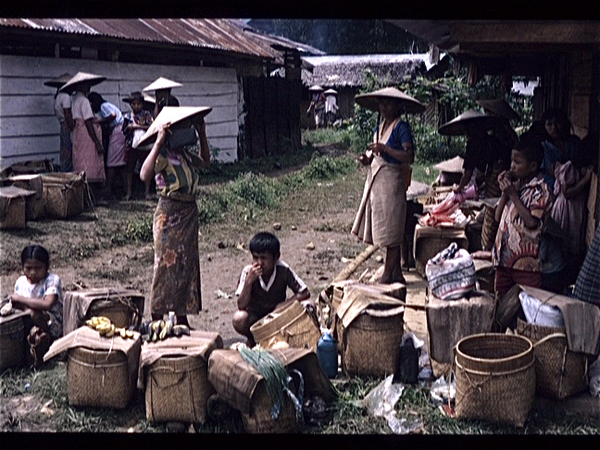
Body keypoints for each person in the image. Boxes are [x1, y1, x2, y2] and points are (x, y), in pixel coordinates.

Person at [139, 106, 211, 328]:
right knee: (165, 265)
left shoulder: (185, 155)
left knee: (185, 265)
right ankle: (157, 317)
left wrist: (202, 133)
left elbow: (205, 162)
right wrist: (158, 142)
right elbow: (144, 175)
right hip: (169, 215)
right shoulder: (162, 155)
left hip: (189, 213)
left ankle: (181, 316)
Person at [352, 87, 425, 284]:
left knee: (393, 230)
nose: (384, 107)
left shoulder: (401, 128)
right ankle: (396, 274)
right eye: (381, 104)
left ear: (397, 106)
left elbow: (409, 156)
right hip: (377, 183)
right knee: (384, 227)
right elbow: (376, 153)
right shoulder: (380, 127)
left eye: (388, 103)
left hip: (393, 182)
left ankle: (387, 274)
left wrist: (385, 149)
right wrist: (367, 159)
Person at [492, 139, 554, 299]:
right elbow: (497, 217)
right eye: (512, 161)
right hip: (503, 261)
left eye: (517, 162)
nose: (512, 166)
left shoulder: (541, 190)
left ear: (533, 166)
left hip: (526, 267)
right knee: (501, 306)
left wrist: (513, 194)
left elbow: (532, 223)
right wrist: (506, 192)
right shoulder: (514, 186)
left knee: (527, 307)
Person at [232, 232, 312, 346]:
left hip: (277, 317)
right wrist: (249, 282)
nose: (259, 263)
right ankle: (254, 338)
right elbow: (241, 305)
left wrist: (283, 305)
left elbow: (304, 292)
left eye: (264, 258)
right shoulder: (248, 272)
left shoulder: (283, 270)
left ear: (276, 257)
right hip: (255, 319)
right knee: (239, 318)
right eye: (255, 257)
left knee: (308, 305)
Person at [7, 245, 63, 367]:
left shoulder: (52, 280)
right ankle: (31, 342)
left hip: (51, 322)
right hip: (28, 318)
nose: (33, 272)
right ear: (22, 267)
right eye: (28, 268)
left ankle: (48, 340)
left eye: (38, 268)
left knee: (32, 313)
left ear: (47, 266)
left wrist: (21, 299)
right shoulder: (21, 282)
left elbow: (48, 304)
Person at [60, 72, 106, 193]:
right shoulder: (84, 101)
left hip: (78, 132)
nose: (88, 87)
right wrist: (96, 141)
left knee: (80, 159)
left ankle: (82, 191)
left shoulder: (74, 99)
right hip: (86, 134)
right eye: (86, 84)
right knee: (89, 160)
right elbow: (88, 122)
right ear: (80, 86)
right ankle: (90, 191)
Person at [88, 92, 128, 199]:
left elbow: (113, 116)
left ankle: (108, 188)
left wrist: (101, 121)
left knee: (111, 160)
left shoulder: (103, 106)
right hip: (119, 131)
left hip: (118, 130)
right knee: (120, 162)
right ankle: (125, 187)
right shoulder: (106, 105)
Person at [122, 92, 154, 200]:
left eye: (138, 104)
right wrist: (129, 128)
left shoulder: (147, 115)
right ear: (130, 104)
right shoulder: (127, 116)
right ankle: (128, 192)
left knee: (146, 168)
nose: (136, 106)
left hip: (144, 144)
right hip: (131, 145)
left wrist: (137, 127)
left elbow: (151, 127)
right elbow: (124, 131)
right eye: (134, 104)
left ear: (142, 104)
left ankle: (147, 192)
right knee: (129, 169)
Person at [540, 108, 581, 191]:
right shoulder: (544, 146)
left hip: (575, 185)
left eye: (557, 123)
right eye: (549, 124)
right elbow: (553, 170)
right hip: (552, 187)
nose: (554, 128)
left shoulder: (574, 142)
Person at [44, 74, 74, 172]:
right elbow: (67, 114)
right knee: (69, 152)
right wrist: (73, 127)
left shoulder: (58, 97)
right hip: (67, 125)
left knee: (65, 151)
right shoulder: (65, 97)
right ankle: (68, 173)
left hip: (62, 125)